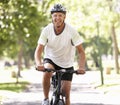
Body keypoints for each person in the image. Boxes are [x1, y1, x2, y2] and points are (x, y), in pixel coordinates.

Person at [34, 4, 86, 105]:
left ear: (64, 17)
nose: (57, 18)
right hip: (51, 59)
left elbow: (81, 51)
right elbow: (39, 49)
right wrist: (38, 63)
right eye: (55, 15)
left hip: (67, 63)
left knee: (66, 94)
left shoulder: (71, 31)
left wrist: (81, 67)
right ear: (52, 17)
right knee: (46, 72)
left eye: (60, 15)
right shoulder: (47, 30)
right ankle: (45, 99)